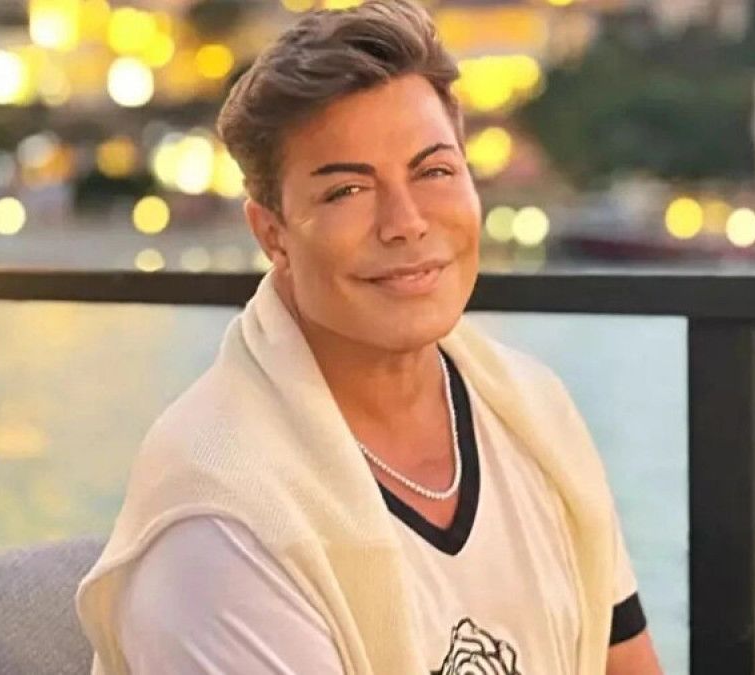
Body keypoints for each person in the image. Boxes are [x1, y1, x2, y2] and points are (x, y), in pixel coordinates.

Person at [76, 1, 663, 673]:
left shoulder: (534, 415)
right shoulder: (221, 520)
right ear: (273, 234)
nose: (405, 222)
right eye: (347, 191)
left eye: (434, 171)